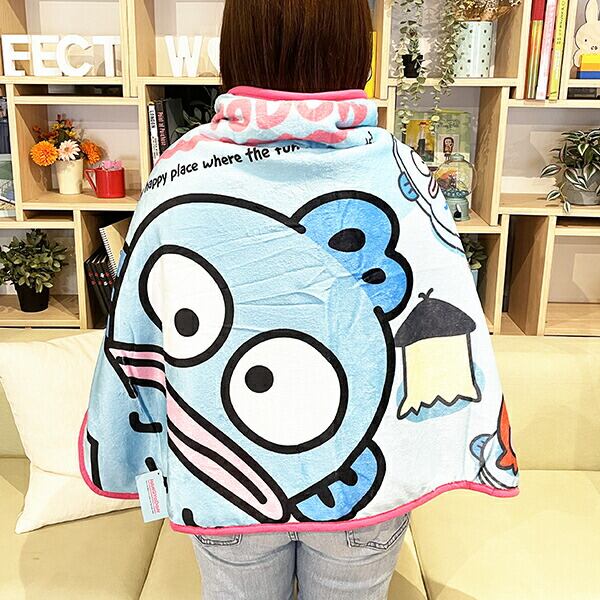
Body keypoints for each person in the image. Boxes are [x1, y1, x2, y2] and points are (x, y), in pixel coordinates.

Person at [78, 0, 519, 598]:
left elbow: (138, 334)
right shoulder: (403, 171)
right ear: (356, 50)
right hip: (362, 491)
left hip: (224, 481)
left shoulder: (179, 176)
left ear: (235, 48)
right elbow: (446, 315)